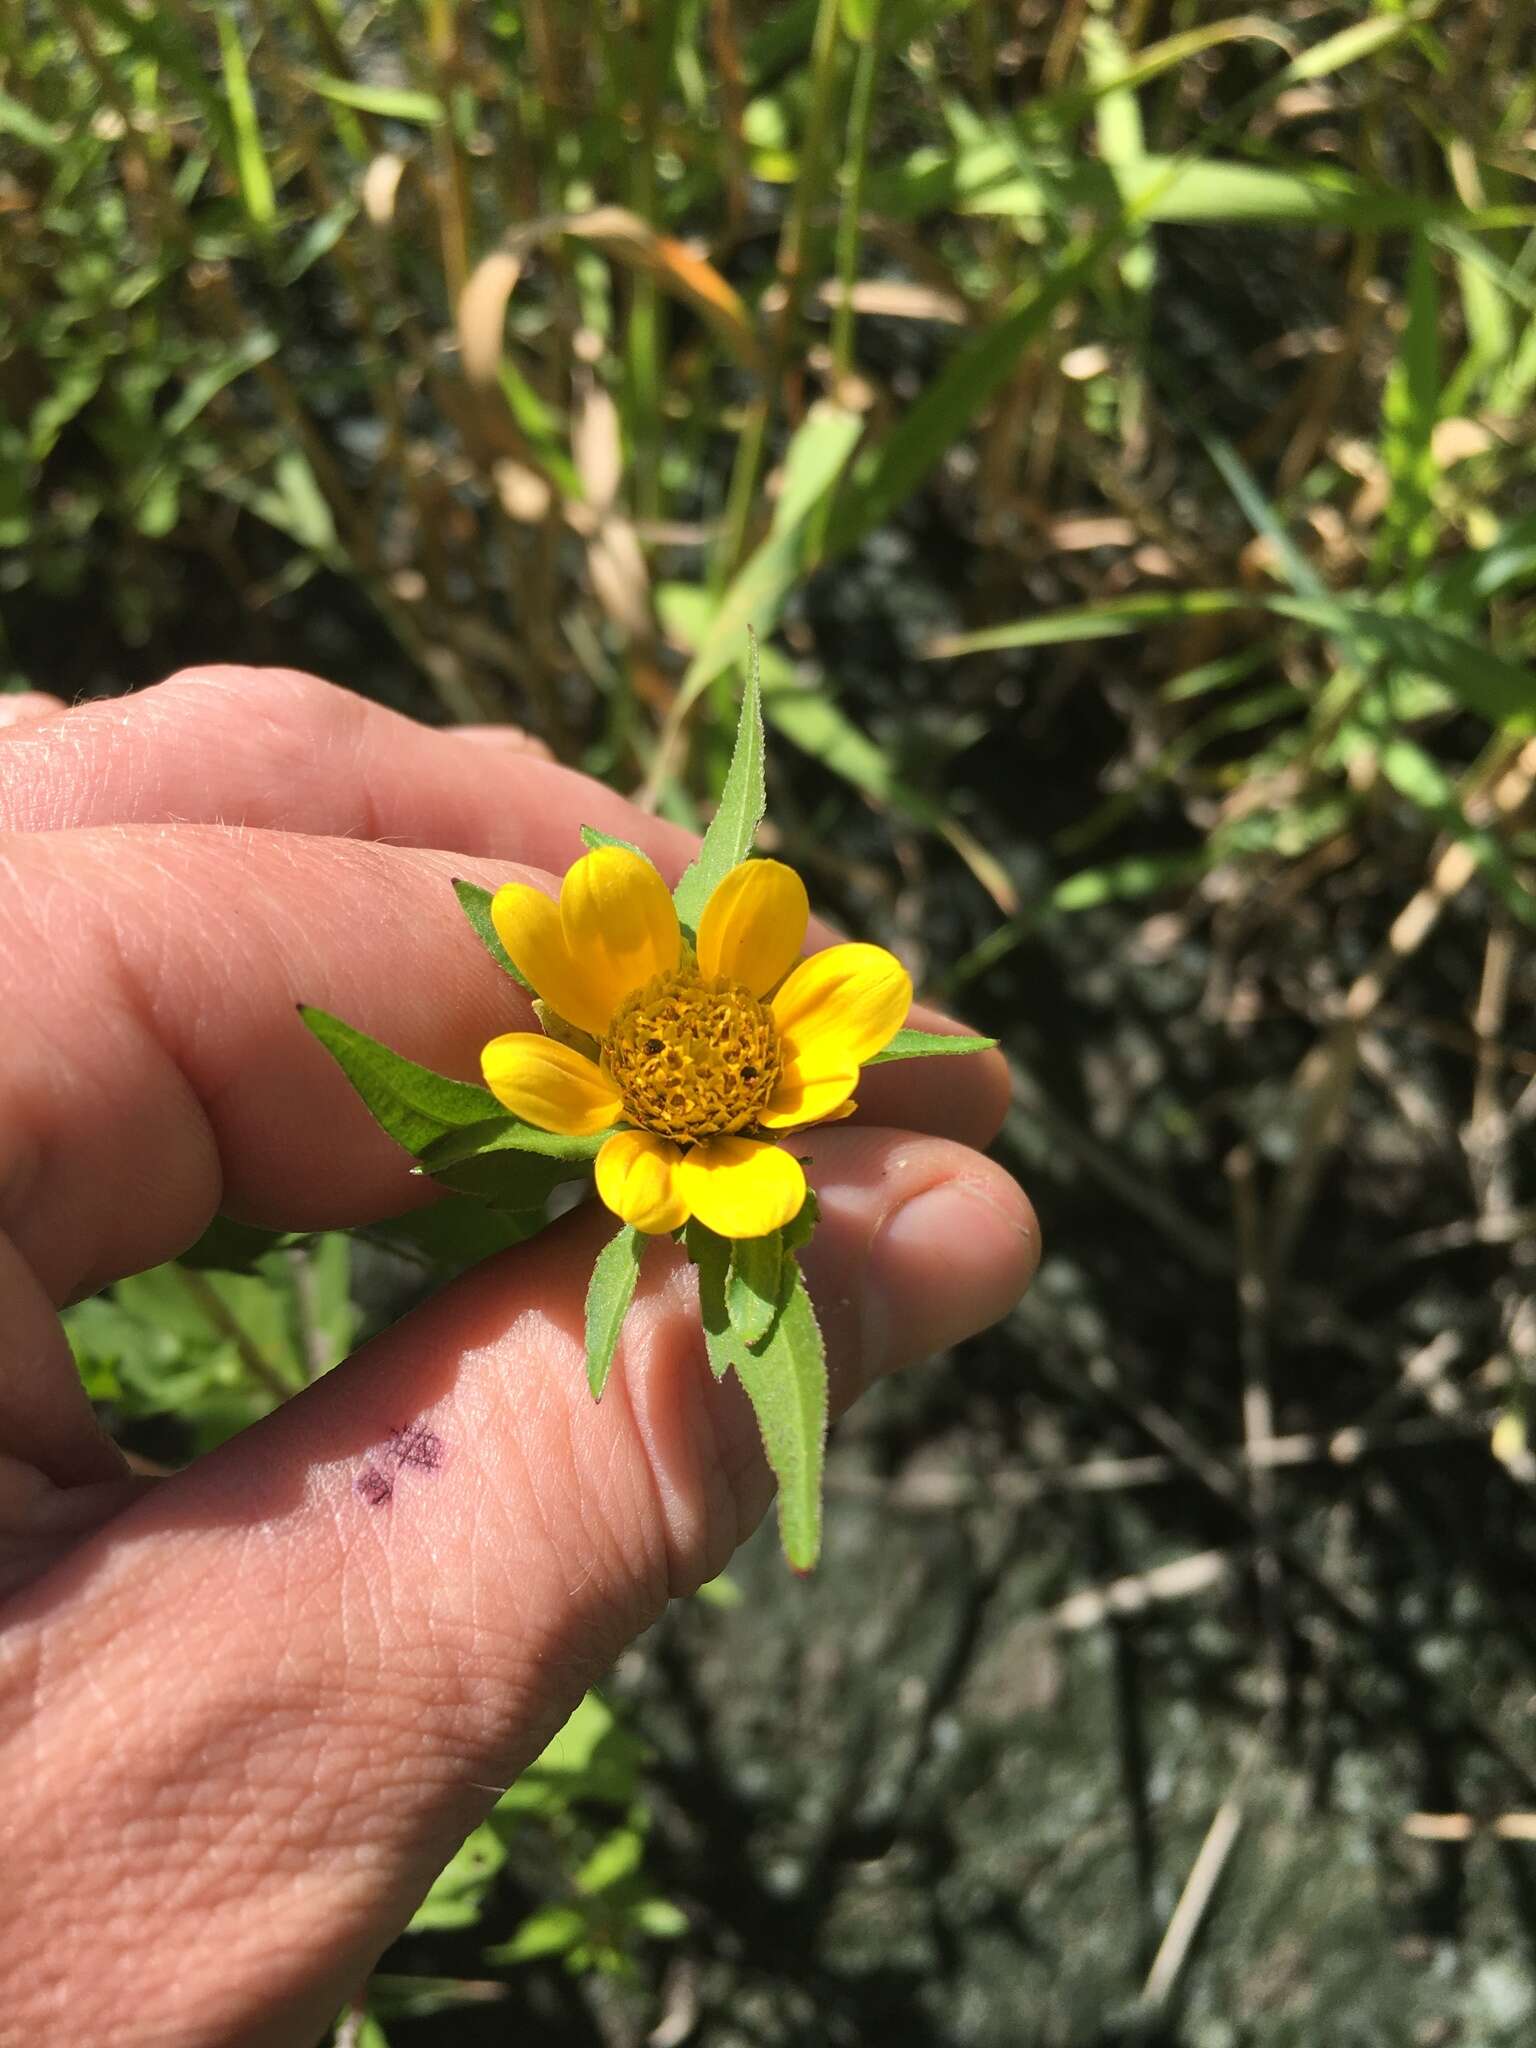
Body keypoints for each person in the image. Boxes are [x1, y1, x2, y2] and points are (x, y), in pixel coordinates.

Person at [0, 668, 1037, 2047]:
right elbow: (588, 1082)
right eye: (679, 1055)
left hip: (714, 1173)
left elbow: (803, 1060)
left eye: (723, 1053)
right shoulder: (604, 1093)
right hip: (639, 1150)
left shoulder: (774, 1088)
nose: (707, 1058)